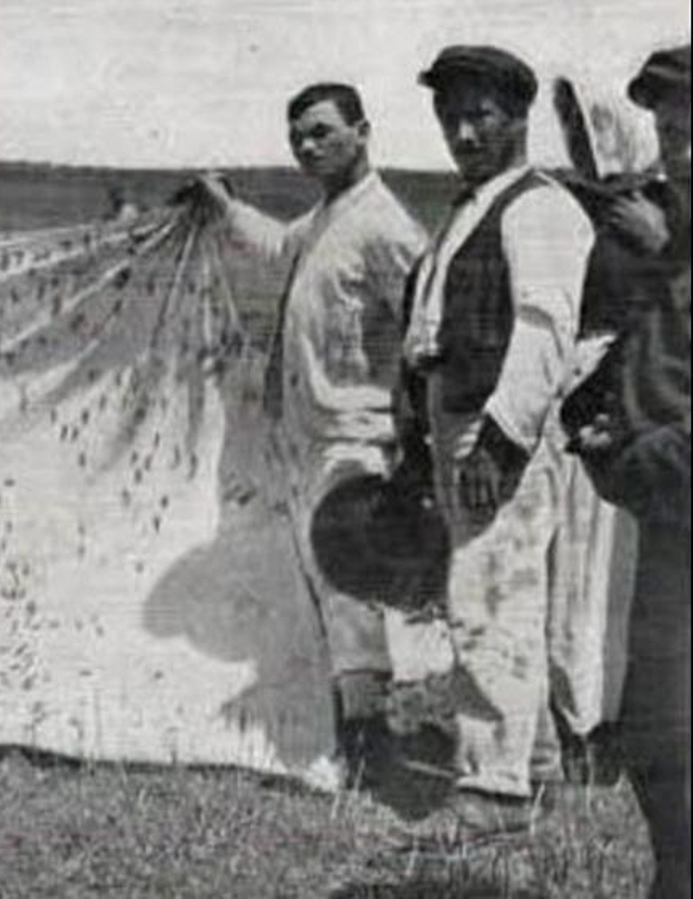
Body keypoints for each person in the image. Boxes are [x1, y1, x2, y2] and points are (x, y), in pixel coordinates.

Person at [191, 83, 427, 782]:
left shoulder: (383, 223)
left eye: (323, 132)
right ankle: (352, 726)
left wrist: (411, 437)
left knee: (348, 582)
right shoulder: (327, 218)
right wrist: (226, 207)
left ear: (363, 130)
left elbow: (424, 320)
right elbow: (277, 249)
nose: (307, 146)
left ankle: (370, 743)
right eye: (298, 135)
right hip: (308, 433)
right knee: (326, 581)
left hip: (358, 433)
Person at [393, 45, 595, 845]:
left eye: (480, 115)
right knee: (494, 590)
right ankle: (534, 766)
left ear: (519, 118)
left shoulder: (539, 207)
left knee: (489, 598)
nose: (465, 132)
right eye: (451, 116)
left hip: (494, 425)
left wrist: (501, 443)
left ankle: (492, 790)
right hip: (457, 417)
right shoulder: (474, 204)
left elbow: (546, 332)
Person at [565, 43, 690, 899]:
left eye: (691, 123)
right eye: (667, 123)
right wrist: (603, 427)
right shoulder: (662, 225)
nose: (676, 139)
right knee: (655, 729)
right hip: (670, 508)